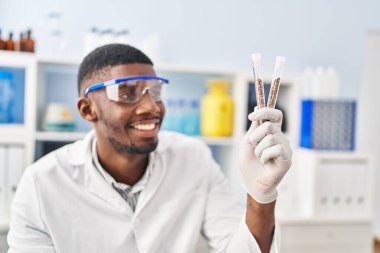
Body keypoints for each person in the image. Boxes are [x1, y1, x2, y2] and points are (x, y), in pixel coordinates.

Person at [7, 44, 292, 253]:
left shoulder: (194, 158)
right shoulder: (41, 183)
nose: (151, 106)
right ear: (87, 109)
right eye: (127, 92)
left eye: (155, 91)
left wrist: (261, 194)